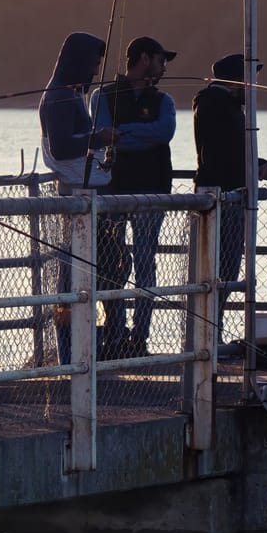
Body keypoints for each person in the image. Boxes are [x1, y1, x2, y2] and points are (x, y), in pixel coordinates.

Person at [90, 35, 178, 359]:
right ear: (144, 58)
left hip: (153, 190)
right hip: (112, 189)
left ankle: (138, 337)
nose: (164, 68)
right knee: (111, 264)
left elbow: (163, 133)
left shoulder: (164, 101)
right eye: (160, 60)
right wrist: (137, 136)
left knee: (144, 261)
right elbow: (99, 134)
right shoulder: (102, 96)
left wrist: (121, 134)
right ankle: (114, 333)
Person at [39, 32, 118, 363]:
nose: (96, 68)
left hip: (88, 195)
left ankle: (85, 348)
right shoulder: (58, 97)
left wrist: (101, 146)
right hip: (73, 198)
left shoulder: (73, 96)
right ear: (77, 61)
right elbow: (60, 146)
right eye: (93, 61)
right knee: (70, 277)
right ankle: (69, 353)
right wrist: (97, 137)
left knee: (100, 270)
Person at [193, 53, 267, 340]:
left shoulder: (223, 104)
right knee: (220, 267)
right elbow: (222, 152)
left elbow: (232, 149)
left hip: (227, 194)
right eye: (249, 79)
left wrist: (257, 162)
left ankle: (212, 332)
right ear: (236, 79)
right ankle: (209, 333)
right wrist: (252, 165)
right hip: (222, 197)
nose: (253, 85)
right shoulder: (216, 104)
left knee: (225, 268)